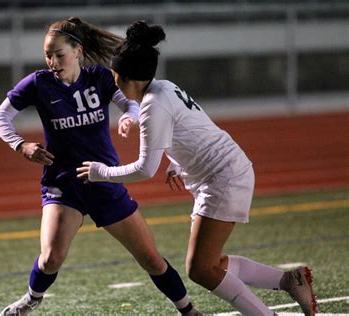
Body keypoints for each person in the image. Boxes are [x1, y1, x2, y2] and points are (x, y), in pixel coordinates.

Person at [77, 20, 318, 316]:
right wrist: (176, 161)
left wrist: (101, 172)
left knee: (201, 268)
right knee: (211, 263)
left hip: (223, 177)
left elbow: (143, 169)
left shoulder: (154, 104)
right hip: (224, 172)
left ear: (130, 78)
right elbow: (187, 129)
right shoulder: (163, 88)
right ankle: (288, 279)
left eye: (116, 75)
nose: (113, 80)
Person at [0, 17, 202, 316]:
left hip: (106, 182)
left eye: (59, 54)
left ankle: (189, 311)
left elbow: (129, 103)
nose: (52, 61)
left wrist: (130, 116)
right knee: (51, 257)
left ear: (78, 51)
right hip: (63, 184)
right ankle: (31, 300)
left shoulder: (99, 78)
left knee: (152, 259)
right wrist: (20, 145)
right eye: (47, 55)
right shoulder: (38, 83)